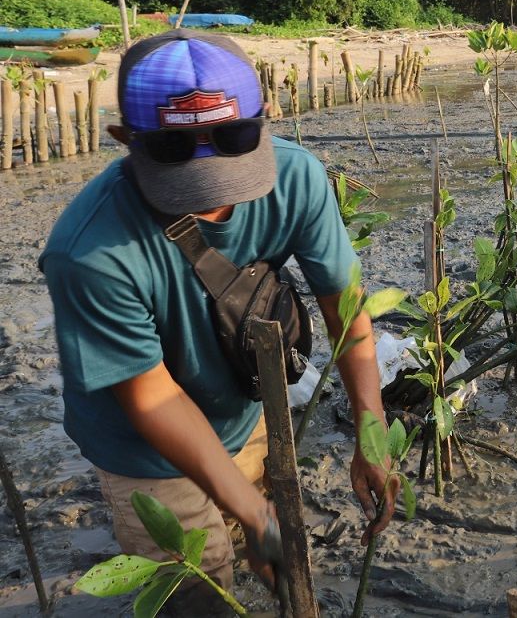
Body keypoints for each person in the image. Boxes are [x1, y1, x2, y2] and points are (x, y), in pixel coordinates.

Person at [40, 30, 396, 610]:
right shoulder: (88, 253)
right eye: (177, 154)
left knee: (246, 527)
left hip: (236, 401)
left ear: (264, 119)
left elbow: (345, 309)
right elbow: (152, 400)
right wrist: (259, 516)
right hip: (143, 445)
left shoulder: (298, 179)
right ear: (125, 140)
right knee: (198, 587)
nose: (213, 194)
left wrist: (372, 436)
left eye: (234, 138)